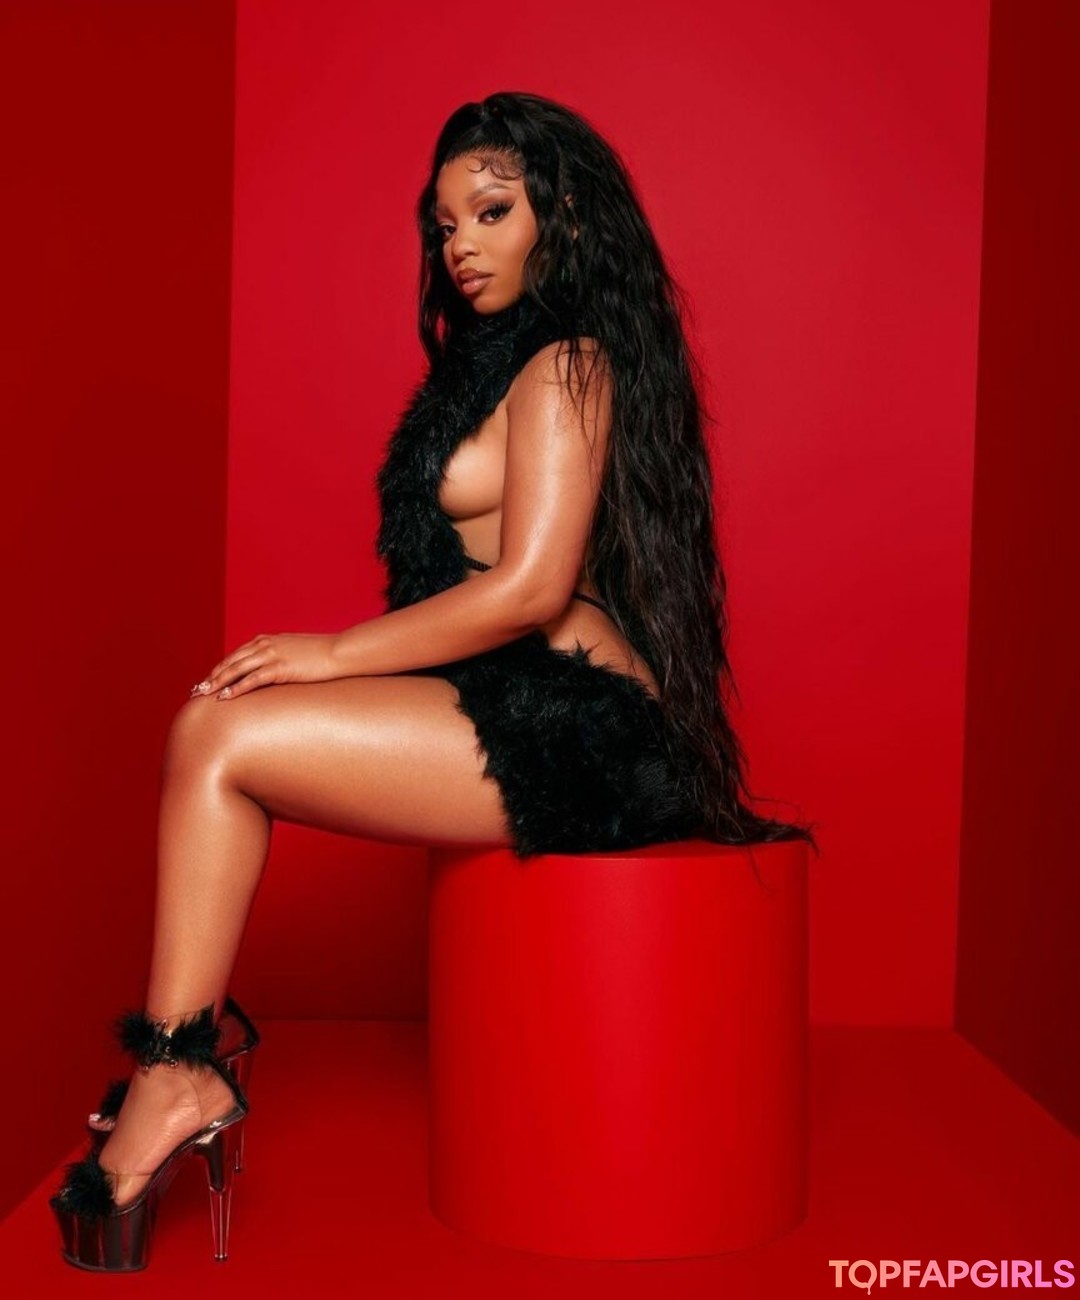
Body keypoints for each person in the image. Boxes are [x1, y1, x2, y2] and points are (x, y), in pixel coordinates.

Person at [49, 90, 818, 1271]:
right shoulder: (478, 372)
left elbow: (530, 587)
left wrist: (330, 651)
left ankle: (174, 1074)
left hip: (582, 729)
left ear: (561, 218)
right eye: (445, 221)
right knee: (213, 727)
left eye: (492, 211)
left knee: (220, 737)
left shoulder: (569, 361)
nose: (459, 242)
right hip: (497, 698)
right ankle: (178, 1067)